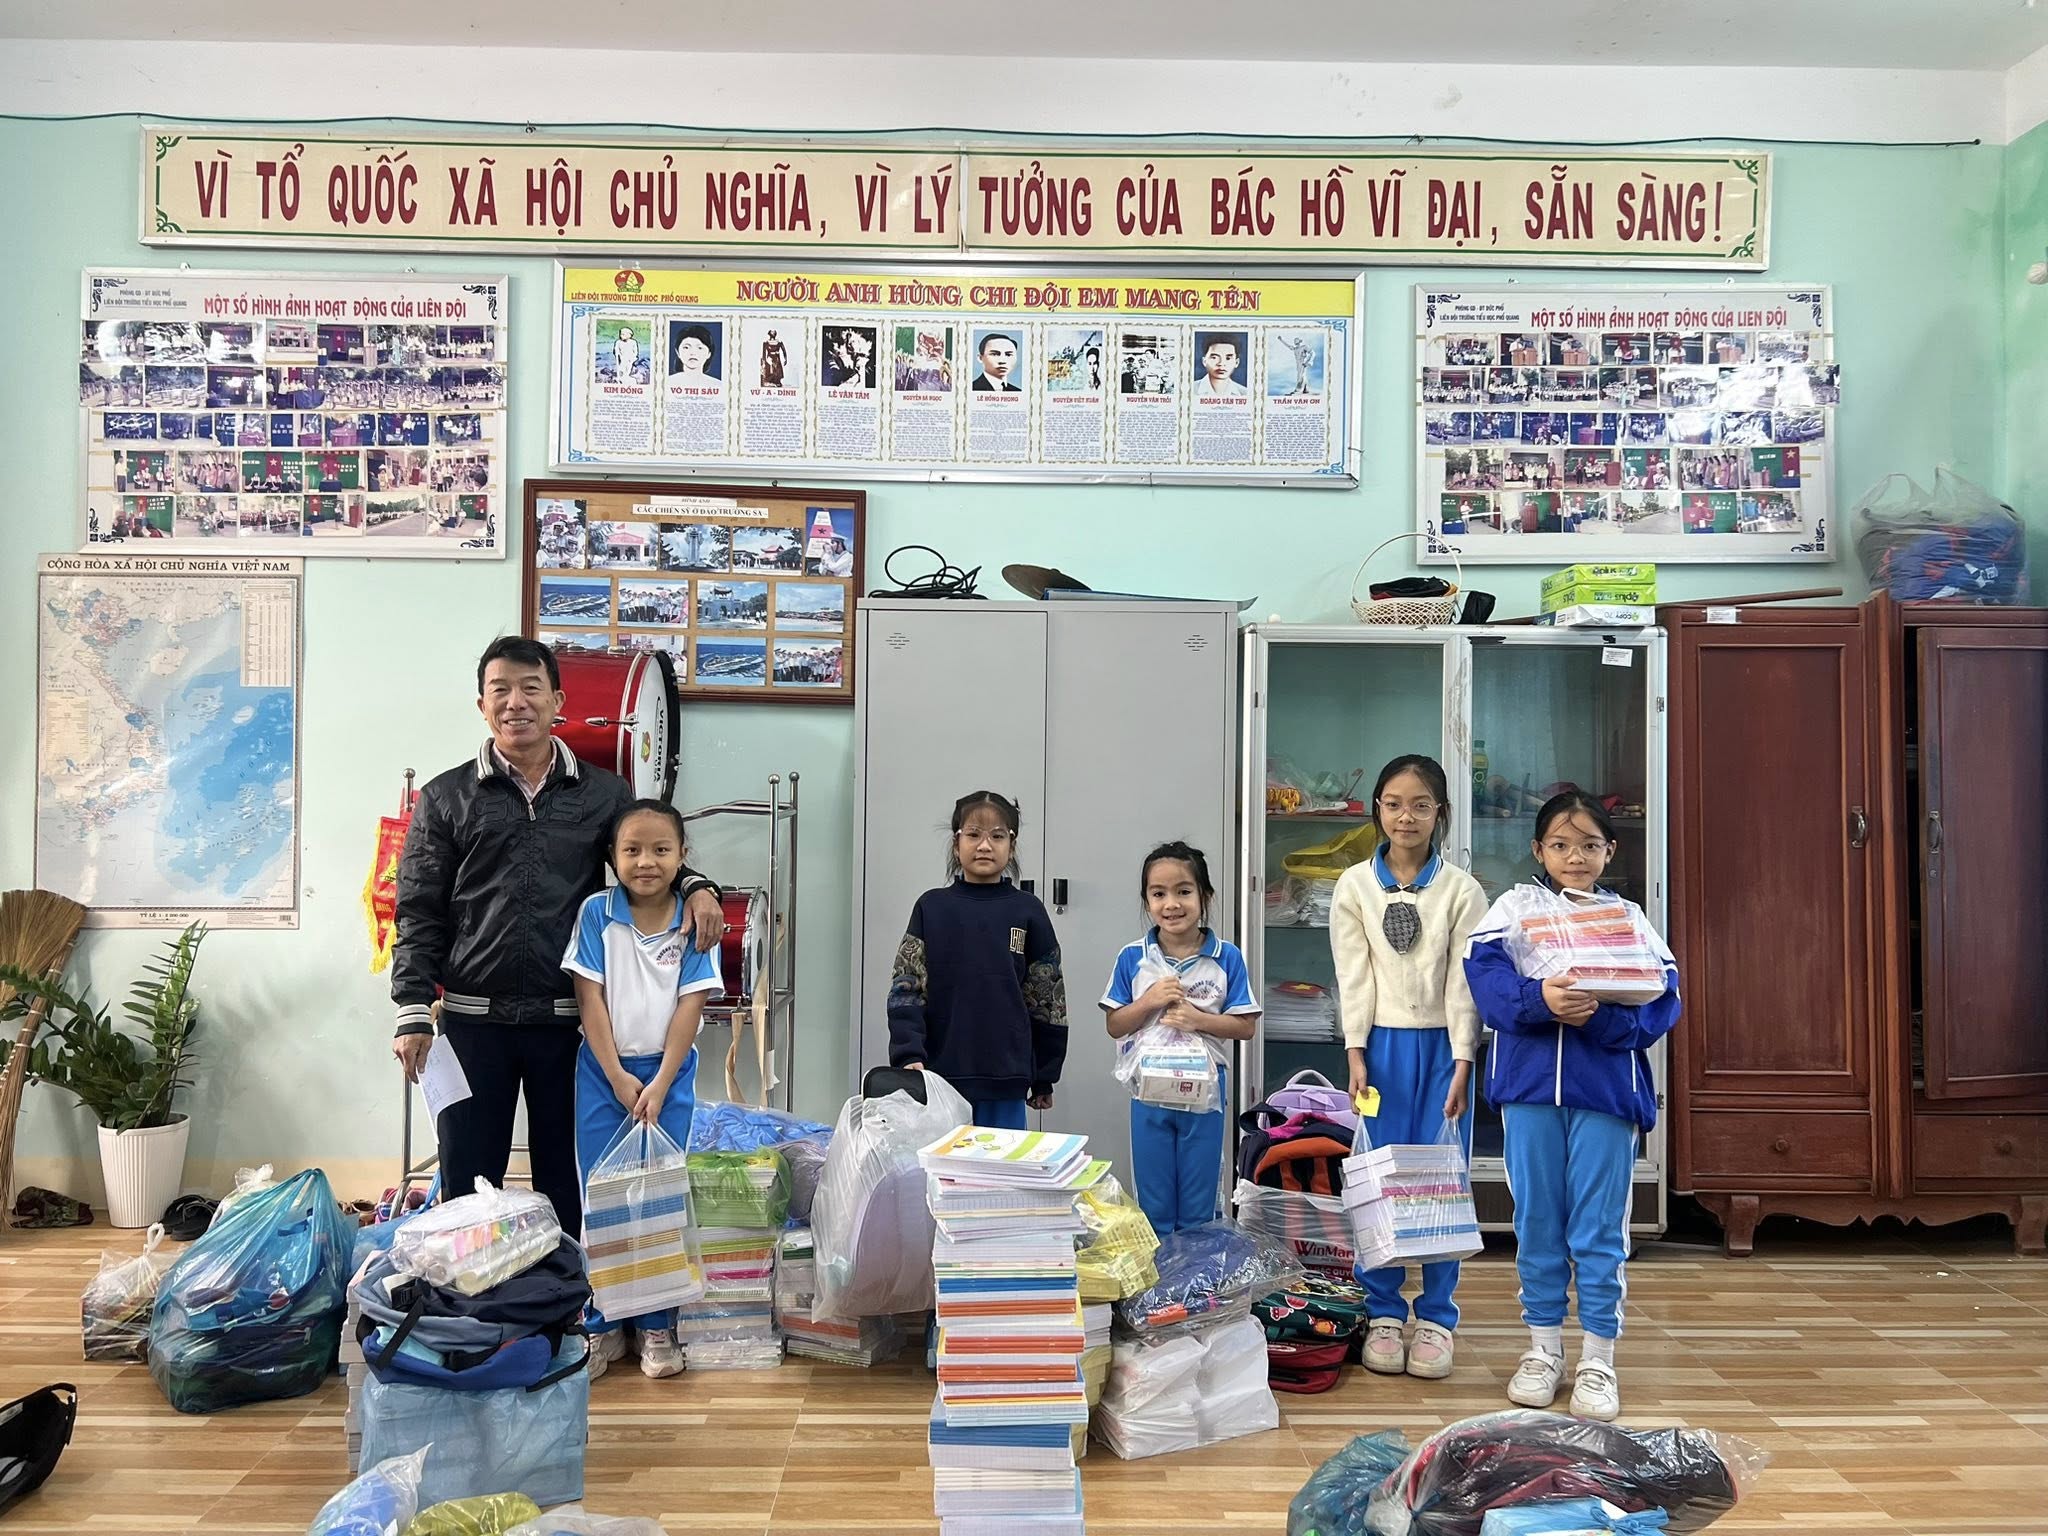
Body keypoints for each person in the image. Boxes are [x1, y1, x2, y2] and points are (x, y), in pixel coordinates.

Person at [391, 637, 725, 1237]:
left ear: (557, 702)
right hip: (471, 1021)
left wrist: (697, 885)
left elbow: (646, 857)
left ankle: (565, 1291)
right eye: (500, 690)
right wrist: (413, 1008)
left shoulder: (603, 794)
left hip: (567, 1026)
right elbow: (417, 908)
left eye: (530, 688)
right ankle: (474, 1295)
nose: (515, 703)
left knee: (568, 1182)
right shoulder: (445, 797)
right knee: (468, 1182)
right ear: (481, 705)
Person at [1463, 791, 1680, 1424]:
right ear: (1539, 850)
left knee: (1599, 1227)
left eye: (1589, 845)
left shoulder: (1629, 918)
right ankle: (1543, 1350)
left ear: (1610, 851)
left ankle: (1598, 1358)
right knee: (1536, 1220)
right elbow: (1488, 986)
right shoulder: (1513, 910)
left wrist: (1598, 1021)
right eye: (1560, 845)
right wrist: (1542, 1002)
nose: (1575, 857)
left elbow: (1663, 1000)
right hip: (1529, 1090)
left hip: (1607, 1092)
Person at [1328, 755, 1488, 1381]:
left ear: (1439, 813)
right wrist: (1356, 1052)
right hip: (1382, 1053)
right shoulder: (1354, 886)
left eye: (1421, 805)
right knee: (1378, 1177)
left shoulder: (1462, 890)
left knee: (1442, 1178)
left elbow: (1464, 982)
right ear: (1378, 809)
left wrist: (1464, 1059)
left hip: (1445, 1050)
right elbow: (1353, 976)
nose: (1406, 817)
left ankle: (1438, 1317)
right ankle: (1384, 1311)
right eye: (1394, 804)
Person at [563, 799, 722, 1382]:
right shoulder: (596, 913)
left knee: (657, 1199)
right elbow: (589, 1000)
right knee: (603, 1198)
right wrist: (616, 1076)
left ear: (682, 857)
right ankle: (604, 1322)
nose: (646, 862)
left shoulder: (695, 920)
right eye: (632, 850)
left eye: (661, 850)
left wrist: (659, 1082)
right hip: (602, 1074)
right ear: (612, 856)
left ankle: (657, 1326)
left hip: (668, 1077)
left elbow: (690, 1007)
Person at [1101, 842, 1259, 1235]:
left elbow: (1245, 1026)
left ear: (1205, 897)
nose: (1171, 904)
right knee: (1154, 1201)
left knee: (1198, 1203)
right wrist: (1149, 1001)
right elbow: (1115, 1025)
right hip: (1149, 1088)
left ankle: (1196, 1273)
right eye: (1158, 894)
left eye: (1184, 891)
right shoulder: (1133, 957)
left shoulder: (1227, 957)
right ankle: (1159, 1274)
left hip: (1205, 1090)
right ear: (1147, 901)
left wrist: (1198, 1019)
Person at [888, 790, 1067, 1128]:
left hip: (1006, 1077)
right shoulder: (931, 907)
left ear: (1011, 846)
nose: (985, 846)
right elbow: (907, 988)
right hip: (940, 1078)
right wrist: (908, 1053)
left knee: (1003, 1162)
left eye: (997, 836)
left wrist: (1044, 1074)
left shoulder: (1028, 910)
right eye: (973, 835)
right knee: (943, 1163)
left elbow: (1047, 998)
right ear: (956, 845)